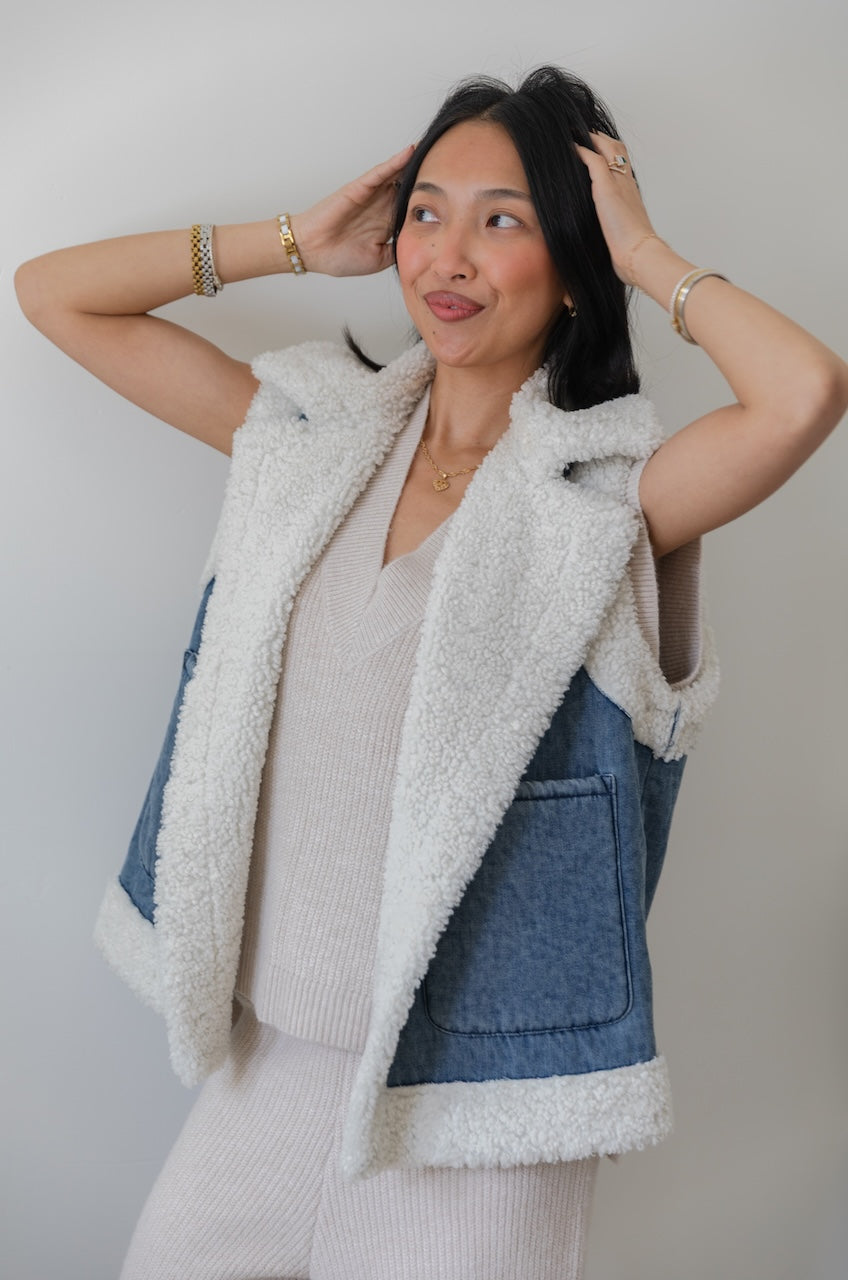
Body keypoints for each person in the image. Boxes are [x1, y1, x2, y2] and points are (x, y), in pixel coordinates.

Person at [14, 65, 847, 1280]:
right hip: (268, 1070)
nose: (447, 253)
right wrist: (298, 238)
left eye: (502, 219)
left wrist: (644, 250)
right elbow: (54, 296)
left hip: (480, 1121)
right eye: (427, 210)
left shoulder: (606, 504)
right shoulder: (308, 444)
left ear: (571, 265)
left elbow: (801, 393)